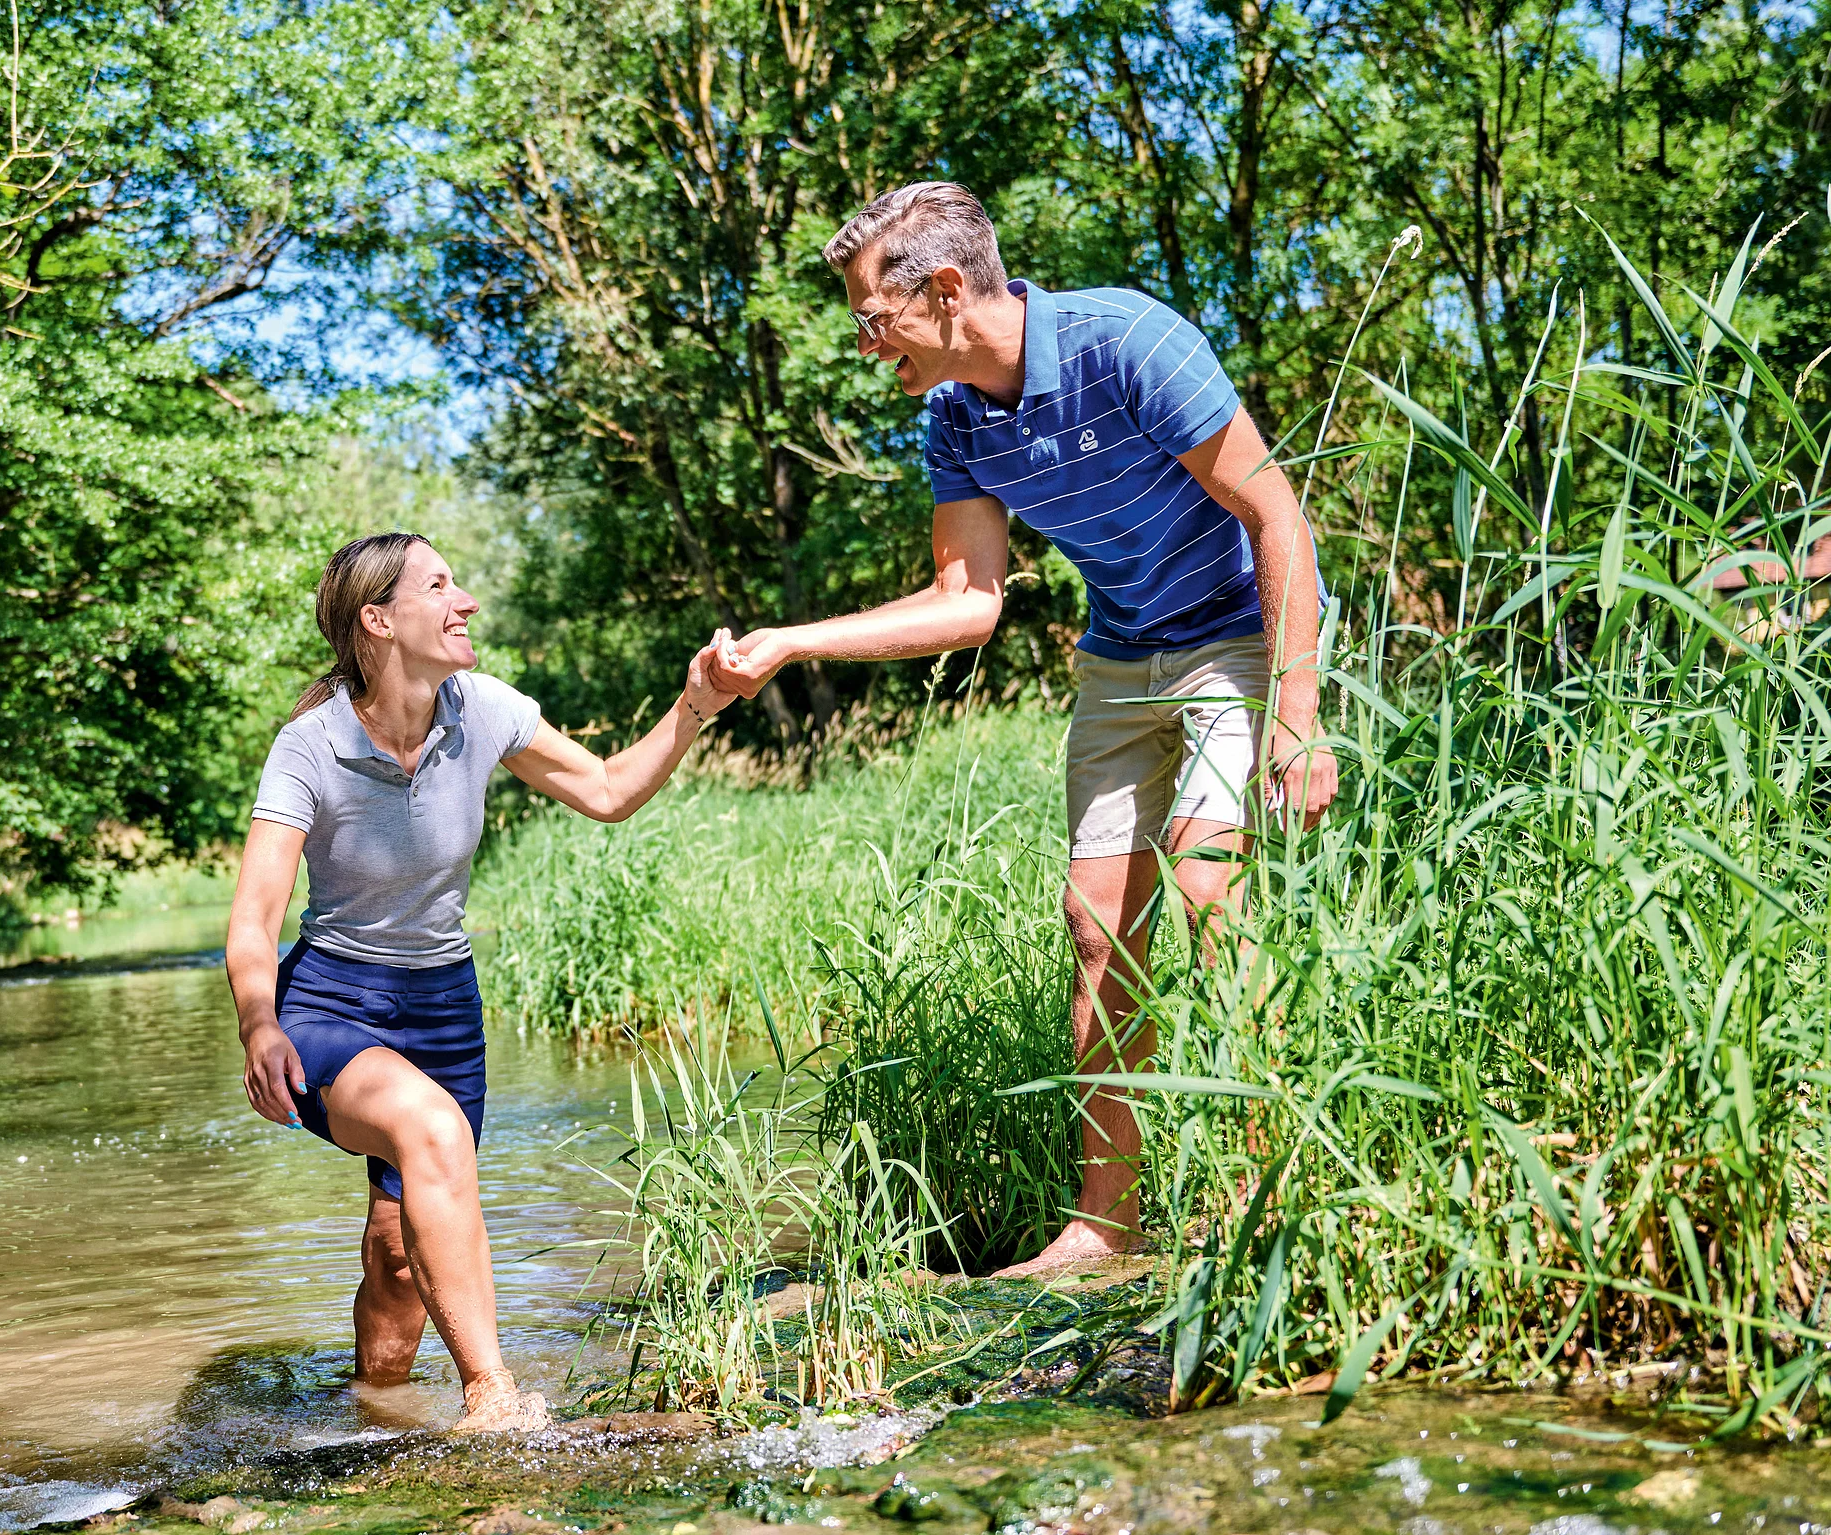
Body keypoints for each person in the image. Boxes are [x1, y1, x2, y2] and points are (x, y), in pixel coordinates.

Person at [705, 181, 1339, 1276]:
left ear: (946, 291)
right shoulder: (955, 416)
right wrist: (793, 639)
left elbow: (1275, 511)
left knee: (1207, 888)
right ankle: (1107, 1223)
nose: (865, 348)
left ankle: (1259, 1193)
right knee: (1095, 923)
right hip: (1121, 653)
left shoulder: (1128, 341)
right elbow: (969, 599)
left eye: (871, 318)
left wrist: (1296, 717)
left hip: (1237, 632)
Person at [222, 531, 737, 1432]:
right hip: (331, 1004)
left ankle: (375, 1419)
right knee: (428, 1134)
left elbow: (611, 791)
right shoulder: (309, 747)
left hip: (443, 1009)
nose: (465, 603)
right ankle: (492, 1395)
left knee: (396, 1254)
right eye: (440, 585)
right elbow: (253, 920)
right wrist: (260, 1025)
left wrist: (695, 706)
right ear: (378, 621)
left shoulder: (483, 708)